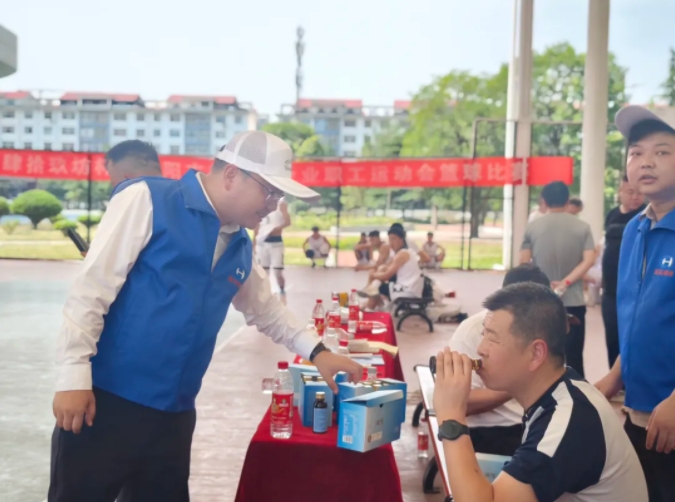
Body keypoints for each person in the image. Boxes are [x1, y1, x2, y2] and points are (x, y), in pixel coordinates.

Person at [48, 130, 362, 502]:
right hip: (106, 403)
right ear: (231, 175)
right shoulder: (148, 199)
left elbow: (267, 311)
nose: (273, 205)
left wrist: (319, 352)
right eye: (270, 192)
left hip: (174, 414)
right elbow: (91, 289)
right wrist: (73, 376)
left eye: (279, 196)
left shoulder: (239, 245)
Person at [433, 282, 648, 502]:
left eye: (493, 338)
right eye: (483, 335)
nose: (480, 349)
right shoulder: (562, 390)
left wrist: (451, 415)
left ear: (536, 353)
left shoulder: (567, 421)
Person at [595, 105, 675, 502]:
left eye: (662, 152)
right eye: (636, 152)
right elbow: (636, 319)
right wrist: (614, 377)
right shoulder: (634, 229)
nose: (646, 162)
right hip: (641, 411)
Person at [448, 263, 550, 456]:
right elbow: (461, 401)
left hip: (535, 423)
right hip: (494, 430)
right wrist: (518, 383)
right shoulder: (472, 331)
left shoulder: (542, 326)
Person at [520, 181, 595, 377]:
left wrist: (545, 282)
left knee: (540, 355)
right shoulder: (583, 227)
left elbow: (524, 262)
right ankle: (577, 392)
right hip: (574, 301)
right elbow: (589, 260)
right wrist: (565, 283)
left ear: (544, 201)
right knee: (574, 356)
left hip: (541, 300)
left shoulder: (532, 227)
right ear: (567, 200)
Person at [79, 141, 163, 258]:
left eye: (121, 178)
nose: (115, 185)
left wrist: (96, 259)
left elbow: (106, 265)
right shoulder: (184, 194)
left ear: (143, 160)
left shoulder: (134, 193)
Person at [601, 174, 645, 369]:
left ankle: (632, 379)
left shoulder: (647, 215)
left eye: (639, 193)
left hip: (636, 292)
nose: (635, 197)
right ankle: (615, 379)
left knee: (634, 339)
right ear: (620, 192)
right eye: (630, 192)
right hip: (610, 290)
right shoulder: (612, 214)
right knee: (612, 337)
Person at [362, 224, 423, 311]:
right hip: (408, 287)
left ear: (401, 239)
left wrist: (372, 275)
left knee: (377, 287)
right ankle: (371, 303)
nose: (391, 243)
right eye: (390, 239)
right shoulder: (403, 252)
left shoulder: (403, 254)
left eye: (393, 239)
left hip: (408, 290)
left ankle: (369, 307)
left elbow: (387, 276)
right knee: (380, 275)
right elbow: (387, 268)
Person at [253, 199, 291, 295]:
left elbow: (287, 222)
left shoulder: (281, 204)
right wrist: (254, 244)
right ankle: (264, 292)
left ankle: (281, 289)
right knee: (263, 271)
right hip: (262, 243)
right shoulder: (260, 203)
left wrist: (275, 229)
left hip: (276, 243)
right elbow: (256, 227)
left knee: (277, 271)